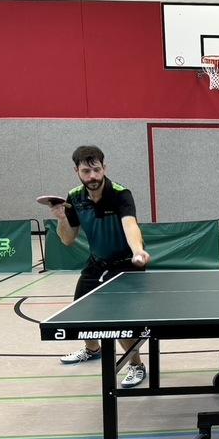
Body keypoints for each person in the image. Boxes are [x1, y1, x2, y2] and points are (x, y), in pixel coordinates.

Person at [48, 145, 151, 389]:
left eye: (96, 170)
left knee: (120, 322)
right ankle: (92, 350)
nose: (92, 176)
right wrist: (62, 218)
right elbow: (68, 239)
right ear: (77, 171)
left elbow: (130, 225)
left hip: (126, 264)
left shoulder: (120, 193)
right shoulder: (73, 197)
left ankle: (136, 364)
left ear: (104, 167)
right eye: (86, 171)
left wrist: (138, 251)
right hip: (97, 264)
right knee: (82, 313)